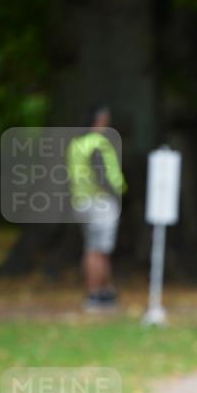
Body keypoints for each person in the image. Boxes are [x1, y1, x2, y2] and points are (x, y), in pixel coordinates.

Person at [67, 106, 127, 312]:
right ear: (100, 120)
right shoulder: (98, 143)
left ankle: (104, 291)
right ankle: (95, 294)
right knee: (98, 250)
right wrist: (114, 194)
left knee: (93, 248)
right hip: (100, 202)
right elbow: (103, 173)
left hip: (81, 201)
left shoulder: (77, 144)